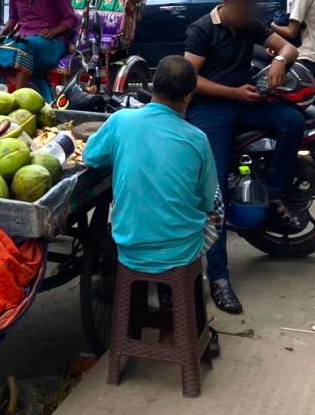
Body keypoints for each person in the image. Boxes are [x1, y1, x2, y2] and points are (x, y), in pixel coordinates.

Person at [183, 0, 303, 315]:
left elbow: (289, 48)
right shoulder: (202, 29)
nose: (248, 16)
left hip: (245, 100)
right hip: (211, 107)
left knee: (293, 122)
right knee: (215, 188)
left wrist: (280, 61)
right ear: (228, 3)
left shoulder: (249, 24)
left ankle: (276, 192)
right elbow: (190, 79)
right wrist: (233, 93)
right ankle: (218, 276)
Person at [83, 55, 218, 274]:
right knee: (217, 199)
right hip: (182, 250)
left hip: (129, 246)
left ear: (154, 84)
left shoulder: (121, 120)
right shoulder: (198, 138)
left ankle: (146, 293)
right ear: (188, 97)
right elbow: (206, 200)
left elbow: (91, 156)